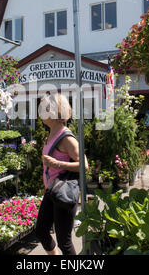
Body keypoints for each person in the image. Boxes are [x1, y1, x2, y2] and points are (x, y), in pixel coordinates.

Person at [35, 93, 88, 255]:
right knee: (41, 231)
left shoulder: (66, 138)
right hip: (52, 192)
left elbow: (84, 165)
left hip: (64, 193)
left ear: (53, 112)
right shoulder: (51, 134)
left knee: (64, 242)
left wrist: (57, 164)